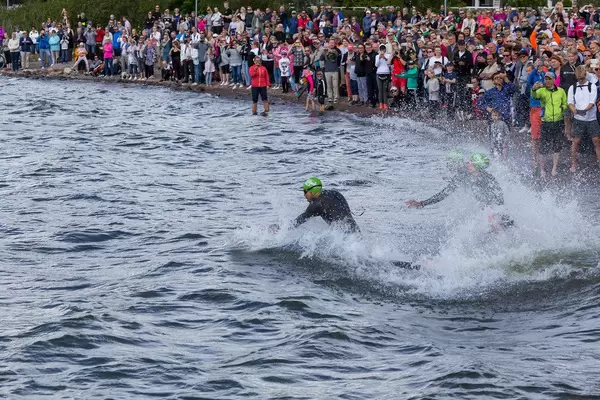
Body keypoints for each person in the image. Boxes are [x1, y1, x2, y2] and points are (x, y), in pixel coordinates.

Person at [406, 153, 514, 230]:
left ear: (478, 167)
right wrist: (422, 203)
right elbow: (444, 193)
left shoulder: (489, 180)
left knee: (497, 225)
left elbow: (500, 200)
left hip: (493, 208)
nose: (467, 164)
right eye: (468, 162)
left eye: (471, 163)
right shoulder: (462, 176)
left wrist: (500, 216)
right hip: (483, 210)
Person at [531, 71, 568, 178]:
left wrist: (561, 109)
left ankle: (554, 168)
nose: (547, 81)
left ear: (553, 80)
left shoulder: (560, 91)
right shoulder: (542, 91)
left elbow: (565, 103)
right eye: (546, 79)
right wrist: (533, 89)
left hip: (557, 121)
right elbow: (535, 96)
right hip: (546, 122)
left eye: (549, 79)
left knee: (557, 146)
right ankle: (542, 169)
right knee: (543, 147)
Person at [293, 177, 360, 233]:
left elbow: (298, 221)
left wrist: (285, 229)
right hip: (355, 229)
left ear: (312, 192)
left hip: (343, 234)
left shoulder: (317, 204)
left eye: (305, 191)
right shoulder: (335, 193)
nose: (304, 195)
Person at [567, 65, 600, 172]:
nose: (580, 80)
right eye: (579, 78)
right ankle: (574, 162)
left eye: (582, 78)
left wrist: (584, 110)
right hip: (578, 119)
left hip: (591, 118)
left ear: (585, 75)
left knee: (596, 140)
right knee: (576, 140)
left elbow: (592, 102)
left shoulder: (592, 86)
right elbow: (570, 102)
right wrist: (575, 110)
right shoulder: (573, 87)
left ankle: (599, 161)